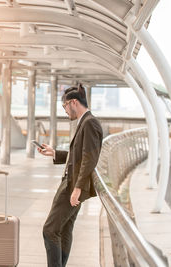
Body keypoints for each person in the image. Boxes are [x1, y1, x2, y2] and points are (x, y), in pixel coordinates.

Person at [37, 84, 103, 267]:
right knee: (64, 230)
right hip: (72, 183)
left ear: (74, 102)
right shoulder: (85, 121)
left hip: (72, 185)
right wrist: (54, 153)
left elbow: (89, 159)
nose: (65, 111)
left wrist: (77, 188)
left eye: (65, 106)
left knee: (49, 230)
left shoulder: (90, 123)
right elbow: (78, 155)